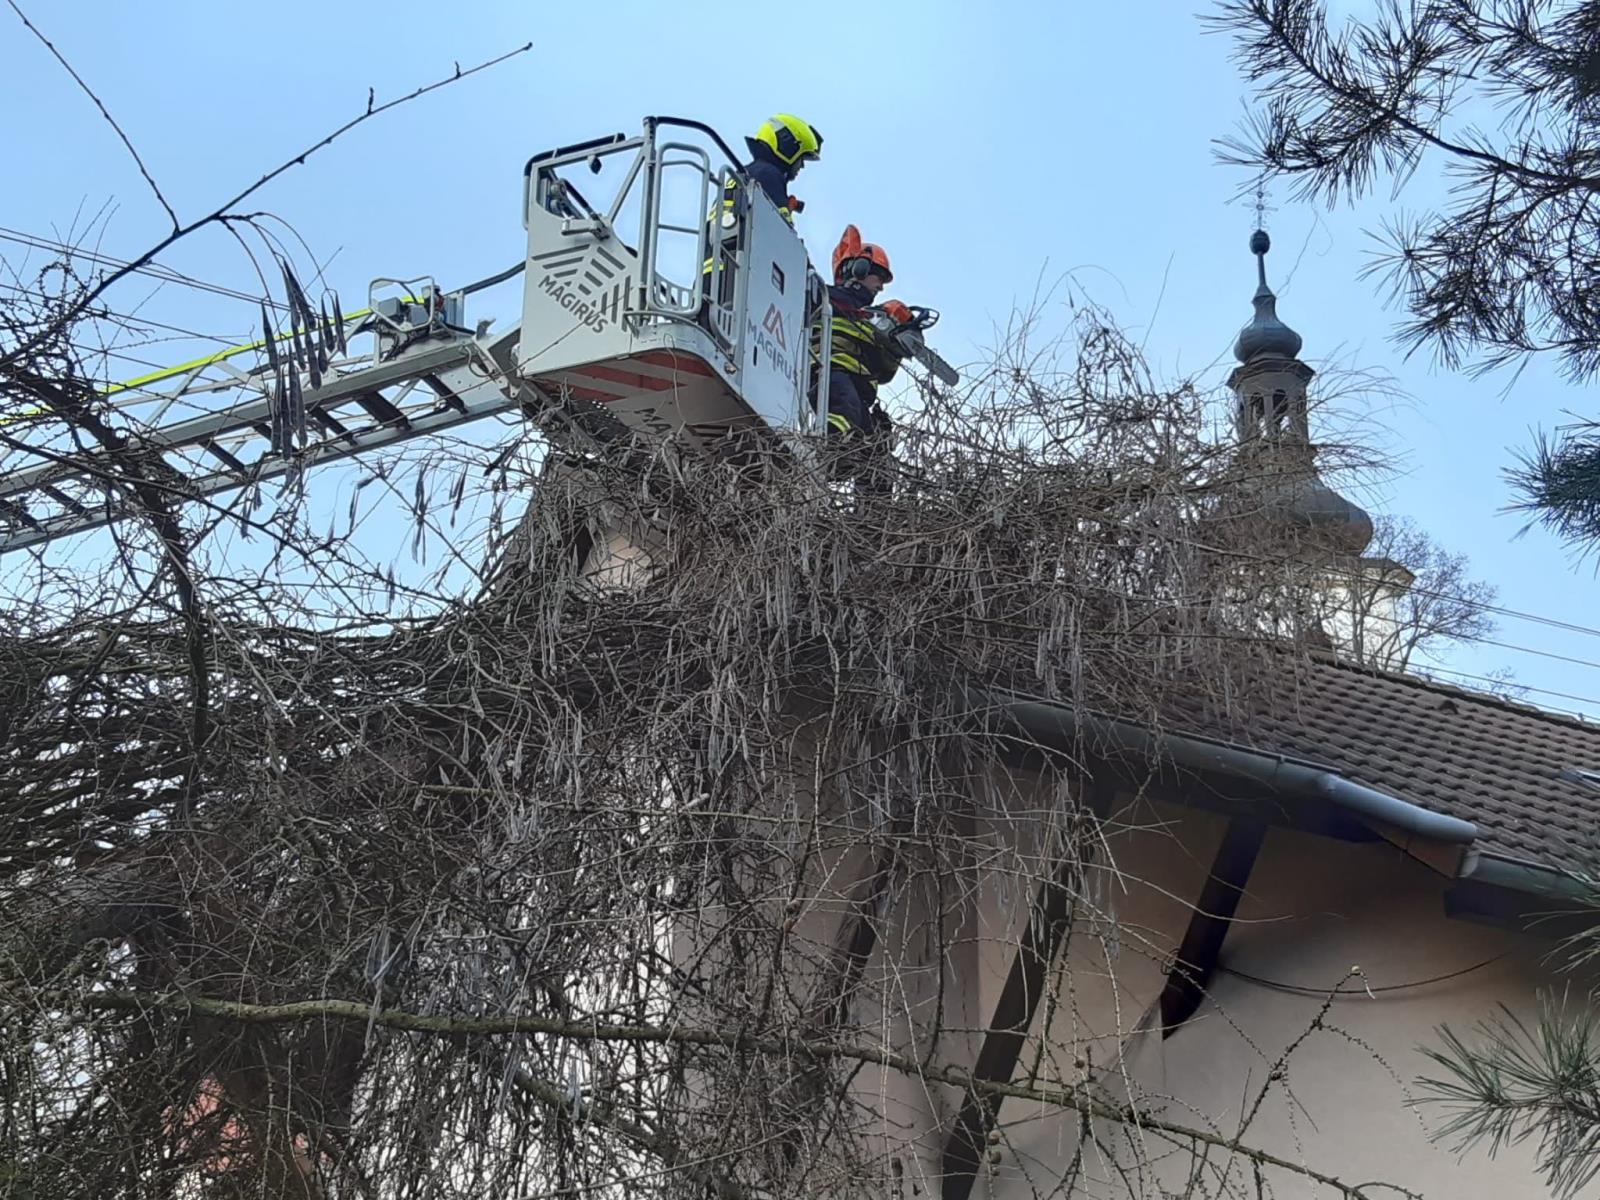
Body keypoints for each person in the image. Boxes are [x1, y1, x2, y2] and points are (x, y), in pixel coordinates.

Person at [819, 225, 915, 442]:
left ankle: (843, 468)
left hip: (860, 393)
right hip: (828, 373)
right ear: (858, 269)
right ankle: (824, 451)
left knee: (876, 444)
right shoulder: (825, 296)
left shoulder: (872, 320)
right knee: (843, 412)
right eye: (878, 277)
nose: (881, 287)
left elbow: (884, 375)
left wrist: (895, 345)